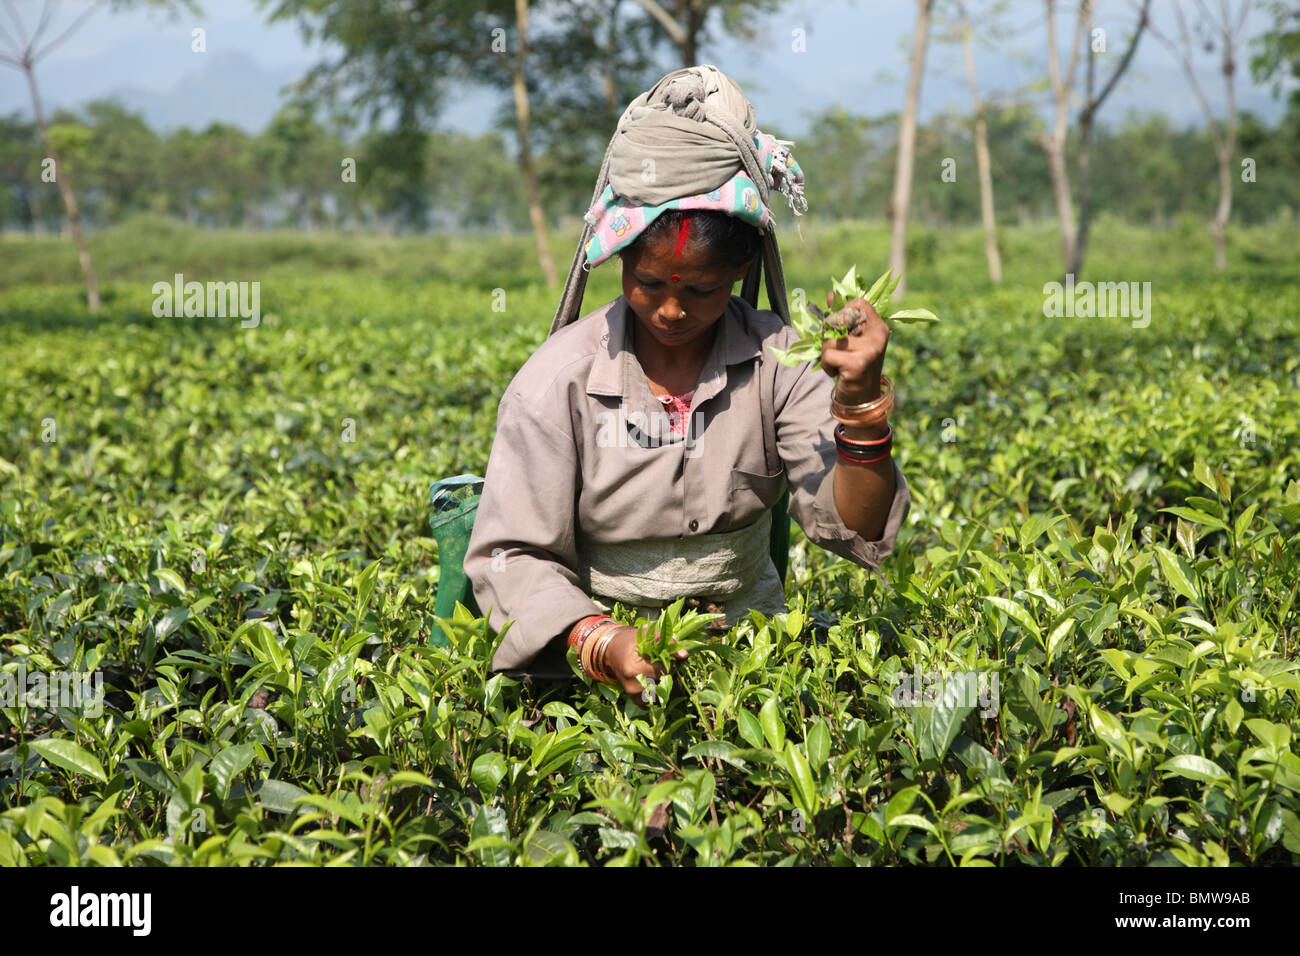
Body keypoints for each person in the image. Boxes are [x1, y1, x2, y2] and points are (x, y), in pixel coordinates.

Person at [464, 65, 910, 696]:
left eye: (701, 290)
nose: (672, 311)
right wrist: (602, 639)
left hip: (754, 673)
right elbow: (510, 557)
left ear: (741, 267)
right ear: (619, 259)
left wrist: (861, 403)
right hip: (593, 676)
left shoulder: (779, 364)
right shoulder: (555, 383)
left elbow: (856, 530)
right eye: (648, 284)